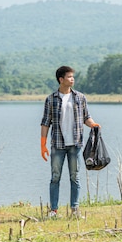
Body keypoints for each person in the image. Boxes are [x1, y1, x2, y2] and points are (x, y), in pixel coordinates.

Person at [40, 66, 100, 218]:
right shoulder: (51, 99)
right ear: (61, 79)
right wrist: (43, 144)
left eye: (73, 76)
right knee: (55, 177)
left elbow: (86, 117)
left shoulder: (80, 97)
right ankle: (53, 210)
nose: (72, 79)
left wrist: (93, 124)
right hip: (57, 145)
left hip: (76, 144)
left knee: (75, 177)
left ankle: (75, 210)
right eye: (69, 77)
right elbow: (46, 122)